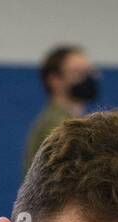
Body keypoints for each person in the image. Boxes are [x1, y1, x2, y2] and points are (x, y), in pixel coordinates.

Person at [23, 45, 99, 173]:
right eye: (78, 72)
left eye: (89, 72)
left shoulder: (70, 120)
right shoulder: (58, 124)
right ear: (55, 80)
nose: (87, 78)